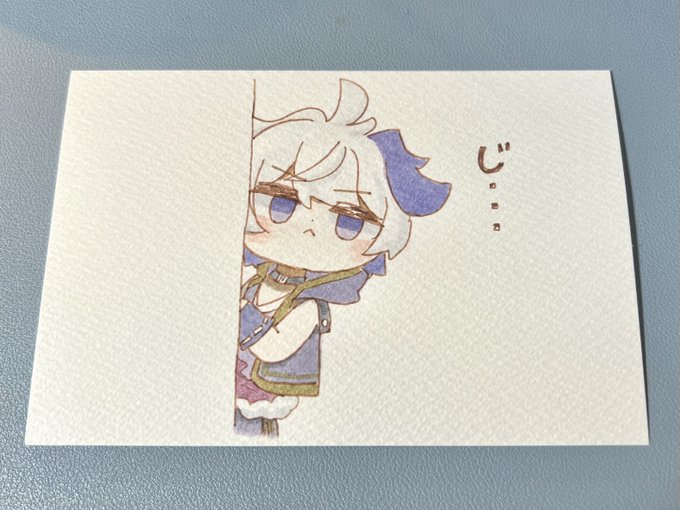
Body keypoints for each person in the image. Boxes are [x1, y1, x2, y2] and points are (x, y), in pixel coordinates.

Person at [234, 79, 451, 437]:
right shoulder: (260, 277)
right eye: (282, 204)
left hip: (255, 405)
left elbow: (272, 349)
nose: (309, 230)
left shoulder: (310, 305)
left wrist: (243, 313)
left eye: (348, 223)